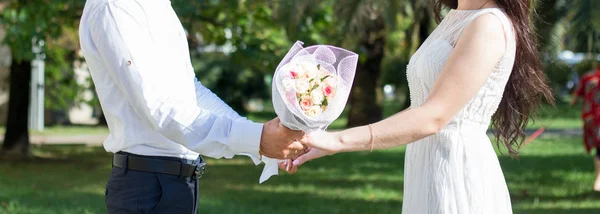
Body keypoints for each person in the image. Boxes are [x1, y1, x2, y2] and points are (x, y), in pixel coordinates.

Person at [281, 0, 553, 213]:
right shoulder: (456, 17)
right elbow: (421, 107)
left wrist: (340, 139)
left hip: (456, 167)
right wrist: (327, 145)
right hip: (427, 162)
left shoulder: (489, 24)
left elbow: (435, 117)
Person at [78, 0, 306, 213]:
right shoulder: (116, 6)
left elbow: (189, 91)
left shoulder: (158, 6)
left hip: (177, 183)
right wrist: (258, 139)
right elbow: (159, 109)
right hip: (147, 187)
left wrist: (263, 138)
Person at [570, 65, 600, 192]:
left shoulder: (587, 77)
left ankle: (598, 181)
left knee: (599, 148)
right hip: (595, 118)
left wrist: (572, 103)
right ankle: (598, 181)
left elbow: (575, 97)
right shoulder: (590, 77)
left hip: (590, 118)